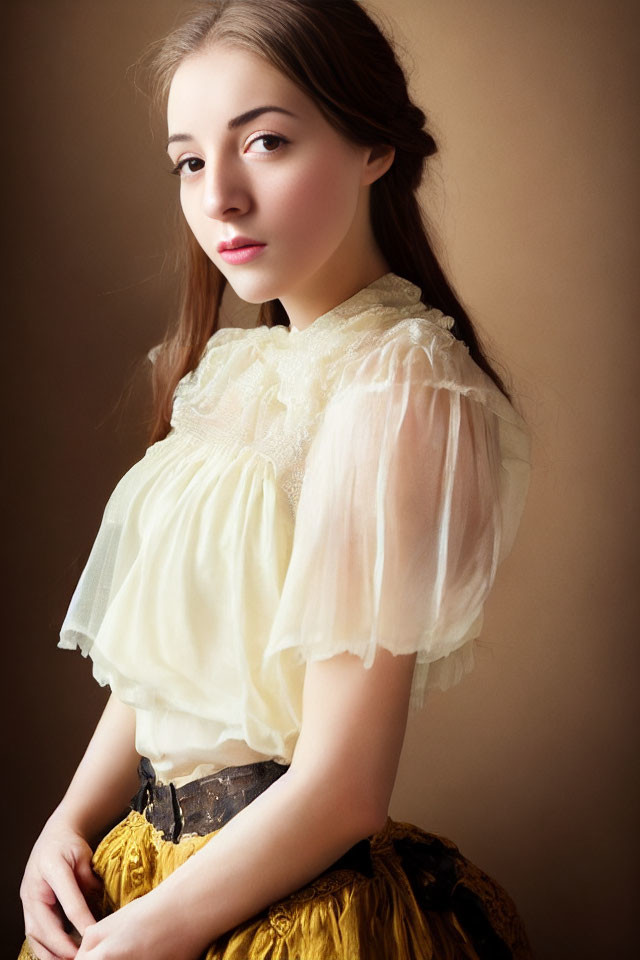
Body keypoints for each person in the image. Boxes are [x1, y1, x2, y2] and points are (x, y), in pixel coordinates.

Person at [18, 1, 534, 958]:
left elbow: (344, 784)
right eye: (190, 160)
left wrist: (150, 938)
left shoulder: (398, 383)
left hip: (276, 903)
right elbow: (167, 656)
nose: (219, 197)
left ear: (373, 144)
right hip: (137, 873)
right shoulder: (233, 375)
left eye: (264, 142)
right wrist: (67, 824)